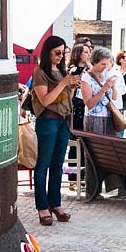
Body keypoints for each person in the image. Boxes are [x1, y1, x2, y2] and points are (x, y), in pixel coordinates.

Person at [28, 35, 79, 226]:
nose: (60, 56)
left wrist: (72, 87)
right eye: (57, 52)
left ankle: (56, 204)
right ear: (48, 52)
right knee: (43, 165)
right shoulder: (40, 72)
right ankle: (42, 207)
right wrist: (64, 83)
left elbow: (65, 100)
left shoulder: (62, 71)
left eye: (63, 52)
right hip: (47, 121)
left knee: (57, 165)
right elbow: (46, 100)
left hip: (63, 121)